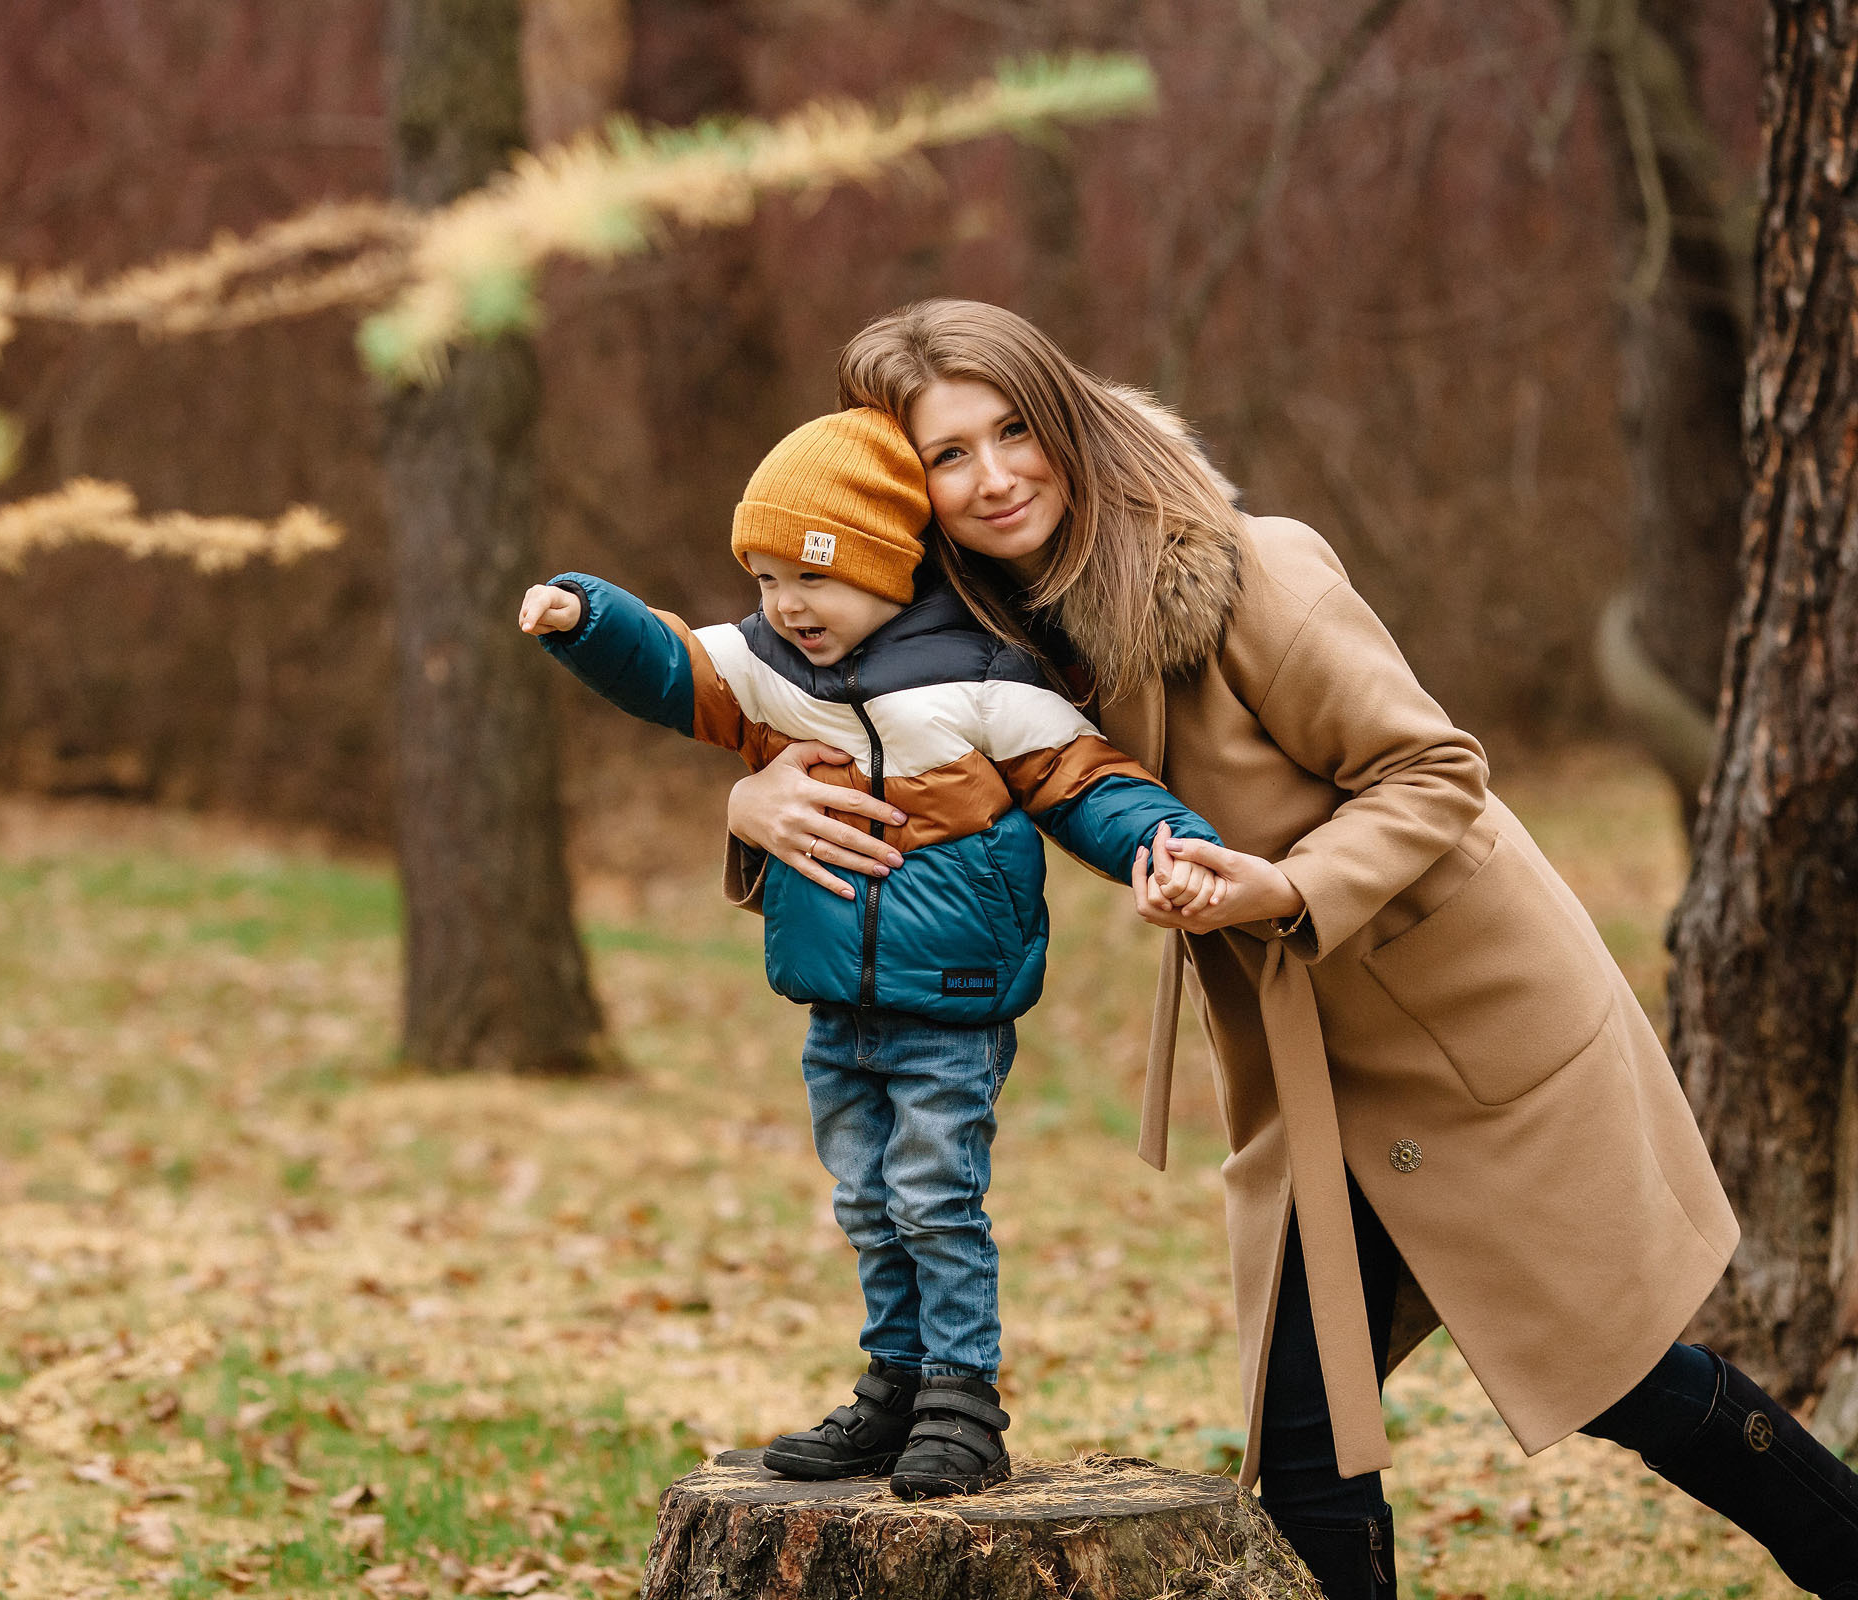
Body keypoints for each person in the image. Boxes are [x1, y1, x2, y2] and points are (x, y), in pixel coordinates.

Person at [718, 299, 1858, 1597]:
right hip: (1307, 1068)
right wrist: (750, 805)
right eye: (948, 456)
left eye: (1014, 430)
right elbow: (799, 710)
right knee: (1311, 1452)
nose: (995, 478)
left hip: (1459, 1022)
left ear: (1068, 421)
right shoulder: (960, 635)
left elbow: (1435, 770)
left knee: (1623, 1377)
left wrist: (1288, 880)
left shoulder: (1254, 572)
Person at [518, 406, 1225, 1500]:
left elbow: (1085, 781)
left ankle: (963, 1402)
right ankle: (895, 1384)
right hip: (834, 1005)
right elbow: (671, 665)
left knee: (936, 1194)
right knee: (864, 1197)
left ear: (891, 563)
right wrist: (585, 615)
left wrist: (1172, 844)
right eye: (762, 580)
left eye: (810, 576)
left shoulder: (983, 678)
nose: (785, 606)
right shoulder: (770, 669)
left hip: (951, 998)